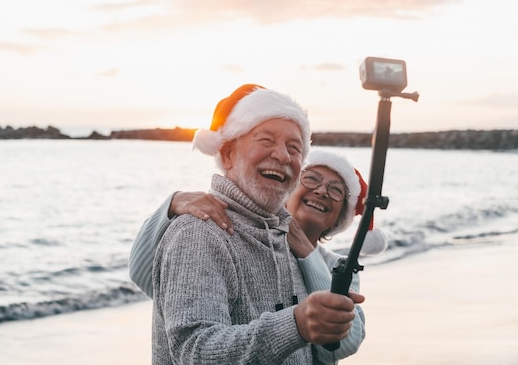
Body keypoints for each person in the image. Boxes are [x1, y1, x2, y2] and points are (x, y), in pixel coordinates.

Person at [134, 84, 372, 364]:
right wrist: (295, 325)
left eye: (294, 147)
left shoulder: (284, 242)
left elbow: (340, 344)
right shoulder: (199, 231)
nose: (283, 156)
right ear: (227, 154)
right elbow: (193, 351)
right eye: (266, 140)